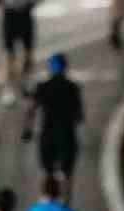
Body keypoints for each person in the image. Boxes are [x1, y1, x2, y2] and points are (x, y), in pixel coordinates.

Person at [22, 53, 83, 201]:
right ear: (65, 68)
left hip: (47, 135)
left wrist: (27, 130)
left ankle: (47, 204)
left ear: (49, 69)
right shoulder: (73, 87)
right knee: (67, 175)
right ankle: (65, 207)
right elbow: (79, 117)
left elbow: (31, 109)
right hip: (67, 135)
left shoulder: (42, 87)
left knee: (47, 174)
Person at [0, 0, 39, 108]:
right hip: (9, 14)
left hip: (25, 13)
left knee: (28, 52)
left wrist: (29, 4)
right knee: (9, 55)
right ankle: (8, 88)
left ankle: (27, 81)